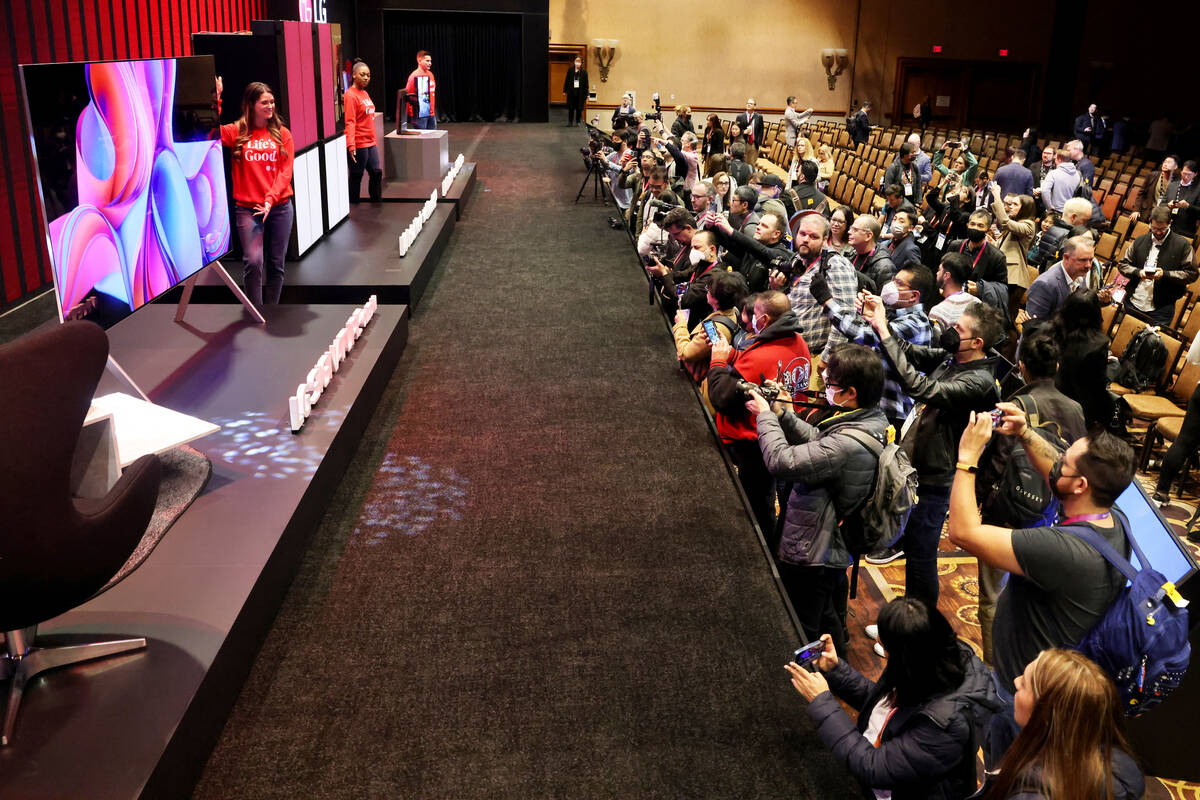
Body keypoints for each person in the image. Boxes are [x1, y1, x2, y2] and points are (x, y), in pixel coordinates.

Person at [948, 404, 1137, 698]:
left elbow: (963, 533)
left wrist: (967, 459)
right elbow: (1055, 472)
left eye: (1066, 462)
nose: (1058, 462)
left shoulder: (1059, 549)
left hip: (1021, 690)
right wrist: (1024, 432)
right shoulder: (1112, 513)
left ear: (1080, 485)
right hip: (1046, 675)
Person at [749, 344, 888, 654]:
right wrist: (782, 414)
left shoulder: (848, 443)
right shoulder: (871, 418)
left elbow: (783, 462)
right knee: (829, 612)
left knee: (803, 623)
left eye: (830, 384)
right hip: (833, 542)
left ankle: (811, 684)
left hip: (814, 548)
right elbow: (820, 444)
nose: (825, 387)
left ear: (850, 392)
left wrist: (764, 418)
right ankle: (838, 666)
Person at [787, 598, 999, 800]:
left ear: (904, 654)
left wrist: (823, 703)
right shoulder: (925, 666)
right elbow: (882, 705)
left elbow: (873, 767)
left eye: (885, 644)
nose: (878, 641)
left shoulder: (946, 725)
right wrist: (836, 670)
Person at [865, 299, 1004, 602]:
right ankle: (910, 620)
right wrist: (882, 323)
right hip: (921, 465)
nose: (951, 332)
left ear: (977, 342)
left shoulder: (978, 381)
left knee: (921, 555)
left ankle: (919, 627)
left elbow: (922, 388)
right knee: (914, 548)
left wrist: (883, 331)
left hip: (938, 478)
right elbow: (912, 353)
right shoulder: (954, 358)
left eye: (958, 329)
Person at [974, 326, 1086, 665]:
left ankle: (995, 671)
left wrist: (979, 499)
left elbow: (995, 462)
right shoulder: (1075, 408)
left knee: (992, 597)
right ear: (1055, 368)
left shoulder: (1015, 406)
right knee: (1031, 595)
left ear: (1022, 366)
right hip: (1050, 514)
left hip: (1007, 513)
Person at [708, 291, 813, 537]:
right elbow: (753, 371)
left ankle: (768, 555)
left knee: (759, 506)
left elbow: (722, 397)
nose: (751, 320)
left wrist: (718, 362)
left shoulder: (761, 353)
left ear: (764, 319)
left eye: (754, 314)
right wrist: (731, 355)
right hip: (791, 433)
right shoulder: (799, 342)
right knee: (785, 502)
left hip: (757, 443)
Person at [980, 649, 1145, 800]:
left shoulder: (1029, 795)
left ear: (1045, 715)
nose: (1016, 681)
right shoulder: (1124, 767)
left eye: (1024, 684)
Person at [814, 263, 934, 432]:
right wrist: (870, 316)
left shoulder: (915, 323)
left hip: (895, 411)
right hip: (882, 408)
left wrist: (827, 301)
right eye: (893, 280)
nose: (891, 285)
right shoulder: (895, 317)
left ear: (914, 295)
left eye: (899, 283)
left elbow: (862, 335)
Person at [219, 81, 295, 307]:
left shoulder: (283, 134)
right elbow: (210, 128)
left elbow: (285, 172)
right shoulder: (236, 132)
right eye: (265, 102)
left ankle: (271, 312)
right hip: (247, 209)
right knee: (253, 261)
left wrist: (270, 199)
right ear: (251, 105)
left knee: (276, 264)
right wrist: (218, 97)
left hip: (279, 207)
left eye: (272, 102)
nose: (270, 106)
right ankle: (256, 313)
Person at [772, 214, 859, 365]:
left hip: (815, 357)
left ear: (825, 240)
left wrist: (828, 358)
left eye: (813, 236)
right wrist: (776, 287)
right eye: (802, 234)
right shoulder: (798, 259)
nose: (805, 239)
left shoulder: (836, 265)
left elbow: (846, 316)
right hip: (791, 351)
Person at [1116, 204, 1198, 326]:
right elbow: (1122, 264)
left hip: (1161, 310)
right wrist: (1138, 272)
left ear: (1170, 223)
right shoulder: (1139, 241)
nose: (1158, 232)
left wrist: (1165, 274)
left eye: (1162, 229)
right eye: (1154, 228)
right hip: (1133, 302)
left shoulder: (1183, 245)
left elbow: (1192, 274)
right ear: (1150, 222)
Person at [672, 268, 745, 393]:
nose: (706, 292)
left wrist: (681, 325)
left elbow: (686, 354)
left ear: (716, 299)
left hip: (697, 386)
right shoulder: (733, 311)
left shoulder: (714, 330)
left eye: (708, 290)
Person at [1053, 290, 1114, 431]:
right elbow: (1097, 387)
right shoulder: (1098, 345)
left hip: (1049, 398)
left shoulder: (1053, 329)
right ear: (1096, 313)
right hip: (1079, 409)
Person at [989, 187, 1037, 316]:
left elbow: (1004, 222)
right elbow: (1006, 247)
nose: (1010, 207)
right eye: (1011, 204)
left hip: (1014, 279)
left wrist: (997, 196)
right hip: (1004, 273)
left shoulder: (1028, 225)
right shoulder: (1015, 223)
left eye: (1015, 204)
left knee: (1005, 317)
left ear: (1025, 208)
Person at [1026, 235, 1094, 319]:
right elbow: (1034, 327)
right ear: (1066, 257)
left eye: (1091, 260)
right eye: (1083, 260)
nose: (1088, 265)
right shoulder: (1045, 284)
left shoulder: (1080, 276)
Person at [344, 61, 381, 204]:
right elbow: (350, 122)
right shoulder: (350, 95)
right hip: (359, 143)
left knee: (376, 173)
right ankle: (354, 208)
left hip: (370, 142)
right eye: (362, 74)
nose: (366, 78)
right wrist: (351, 145)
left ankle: (377, 205)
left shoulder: (364, 93)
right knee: (356, 176)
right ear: (354, 75)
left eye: (368, 75)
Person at [949, 209, 1008, 286]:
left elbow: (1002, 287)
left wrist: (980, 290)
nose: (975, 228)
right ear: (967, 225)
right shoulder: (955, 245)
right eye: (972, 224)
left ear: (988, 231)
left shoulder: (997, 257)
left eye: (980, 225)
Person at [927, 252, 975, 333]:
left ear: (946, 276)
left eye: (939, 270)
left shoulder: (938, 312)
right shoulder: (977, 302)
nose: (937, 273)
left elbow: (933, 343)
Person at [847, 215, 896, 292]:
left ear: (868, 236)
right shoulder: (854, 250)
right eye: (851, 228)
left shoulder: (885, 268)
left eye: (855, 230)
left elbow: (884, 301)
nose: (849, 232)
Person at [1165, 159, 1200, 238]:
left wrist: (1188, 206)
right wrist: (1168, 205)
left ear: (1195, 174)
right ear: (1181, 171)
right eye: (1184, 173)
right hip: (1166, 226)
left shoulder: (1198, 189)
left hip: (1185, 231)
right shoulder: (1172, 185)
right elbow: (1162, 204)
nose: (1186, 176)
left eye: (1189, 174)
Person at [882, 142, 924, 207]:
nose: (915, 154)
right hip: (896, 204)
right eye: (912, 153)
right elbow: (887, 188)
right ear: (905, 155)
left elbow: (918, 185)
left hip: (910, 203)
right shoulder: (893, 168)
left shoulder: (914, 167)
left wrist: (918, 202)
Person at [1039, 150, 1081, 214]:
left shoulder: (1053, 173)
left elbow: (1045, 191)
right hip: (1066, 211)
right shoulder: (1078, 175)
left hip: (1053, 211)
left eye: (1055, 158)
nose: (1054, 161)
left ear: (1059, 160)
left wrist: (1049, 208)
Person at [405, 50, 437, 130]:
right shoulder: (414, 76)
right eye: (427, 61)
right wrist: (411, 114)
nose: (430, 63)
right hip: (419, 115)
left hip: (431, 113)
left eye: (430, 61)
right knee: (422, 139)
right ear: (419, 60)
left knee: (433, 137)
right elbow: (408, 96)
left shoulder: (431, 74)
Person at [562, 55, 588, 127]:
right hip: (571, 91)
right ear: (574, 62)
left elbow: (586, 83)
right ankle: (570, 122)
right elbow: (566, 80)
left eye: (579, 61)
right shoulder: (570, 70)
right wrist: (564, 90)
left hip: (580, 92)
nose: (577, 62)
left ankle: (577, 122)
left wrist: (587, 93)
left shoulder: (584, 72)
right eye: (576, 61)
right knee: (571, 107)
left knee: (579, 108)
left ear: (581, 62)